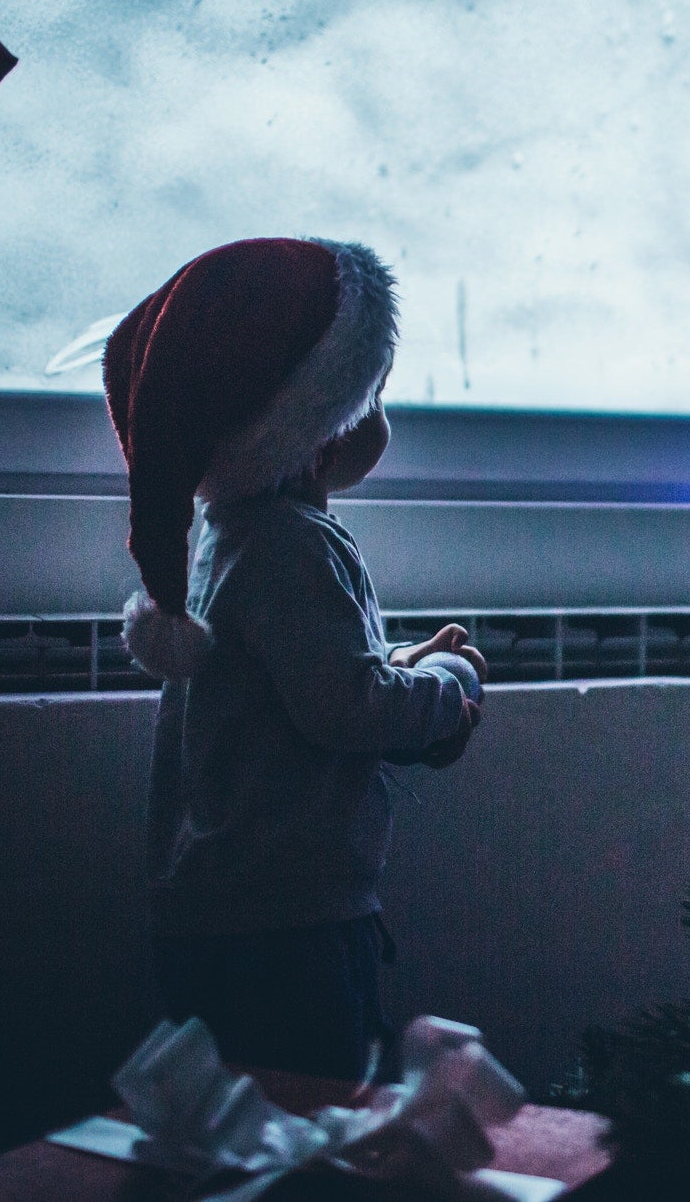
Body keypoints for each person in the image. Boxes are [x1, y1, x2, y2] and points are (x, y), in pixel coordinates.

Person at [102, 236, 485, 1080]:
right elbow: (345, 708)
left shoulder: (232, 535)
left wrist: (397, 658)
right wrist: (444, 687)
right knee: (312, 1111)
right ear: (316, 431)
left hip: (222, 911)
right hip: (288, 923)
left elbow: (296, 681)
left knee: (237, 1121)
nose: (379, 416)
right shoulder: (292, 544)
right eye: (369, 395)